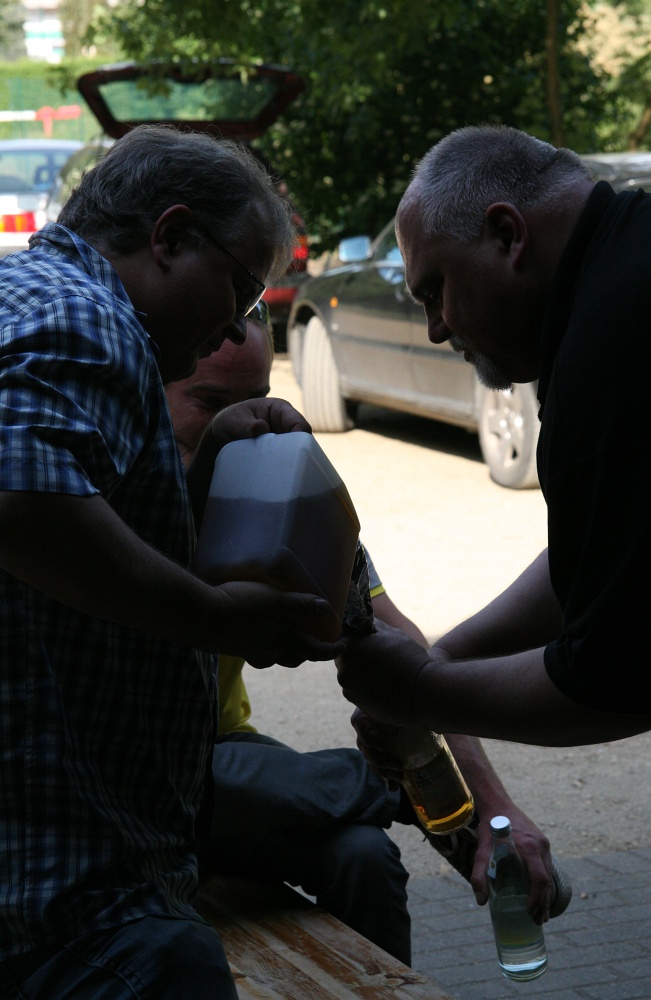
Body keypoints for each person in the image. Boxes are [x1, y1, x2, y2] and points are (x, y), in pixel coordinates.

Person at [0, 124, 344, 999]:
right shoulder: (91, 319)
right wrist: (215, 618)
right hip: (66, 898)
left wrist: (205, 464)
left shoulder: (24, 294)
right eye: (238, 286)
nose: (233, 324)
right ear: (171, 236)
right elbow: (18, 499)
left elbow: (72, 551)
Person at [164, 302, 570, 966]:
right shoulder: (130, 491)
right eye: (210, 402)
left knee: (363, 854)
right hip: (137, 772)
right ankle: (390, 790)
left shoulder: (278, 494)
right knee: (301, 784)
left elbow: (403, 652)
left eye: (258, 399)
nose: (244, 425)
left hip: (228, 761)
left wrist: (497, 813)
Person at [336, 126, 651, 771]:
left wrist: (419, 692)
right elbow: (611, 552)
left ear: (508, 235)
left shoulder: (614, 346)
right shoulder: (632, 252)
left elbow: (619, 676)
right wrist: (446, 655)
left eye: (435, 290)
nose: (435, 329)